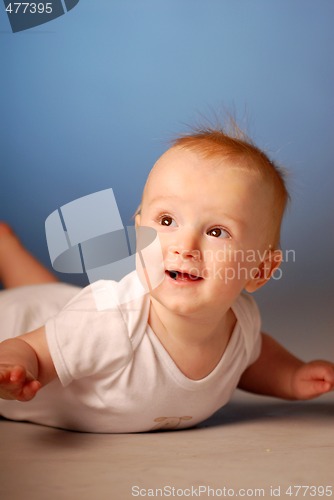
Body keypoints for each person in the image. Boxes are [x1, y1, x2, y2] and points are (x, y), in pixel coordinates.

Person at [0, 127, 333, 433]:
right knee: (45, 305)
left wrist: (292, 375)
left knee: (57, 299)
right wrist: (16, 365)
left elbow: (253, 358)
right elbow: (33, 347)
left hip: (63, 311)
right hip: (14, 323)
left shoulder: (240, 323)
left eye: (217, 231)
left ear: (259, 270)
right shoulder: (109, 320)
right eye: (167, 220)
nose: (185, 247)